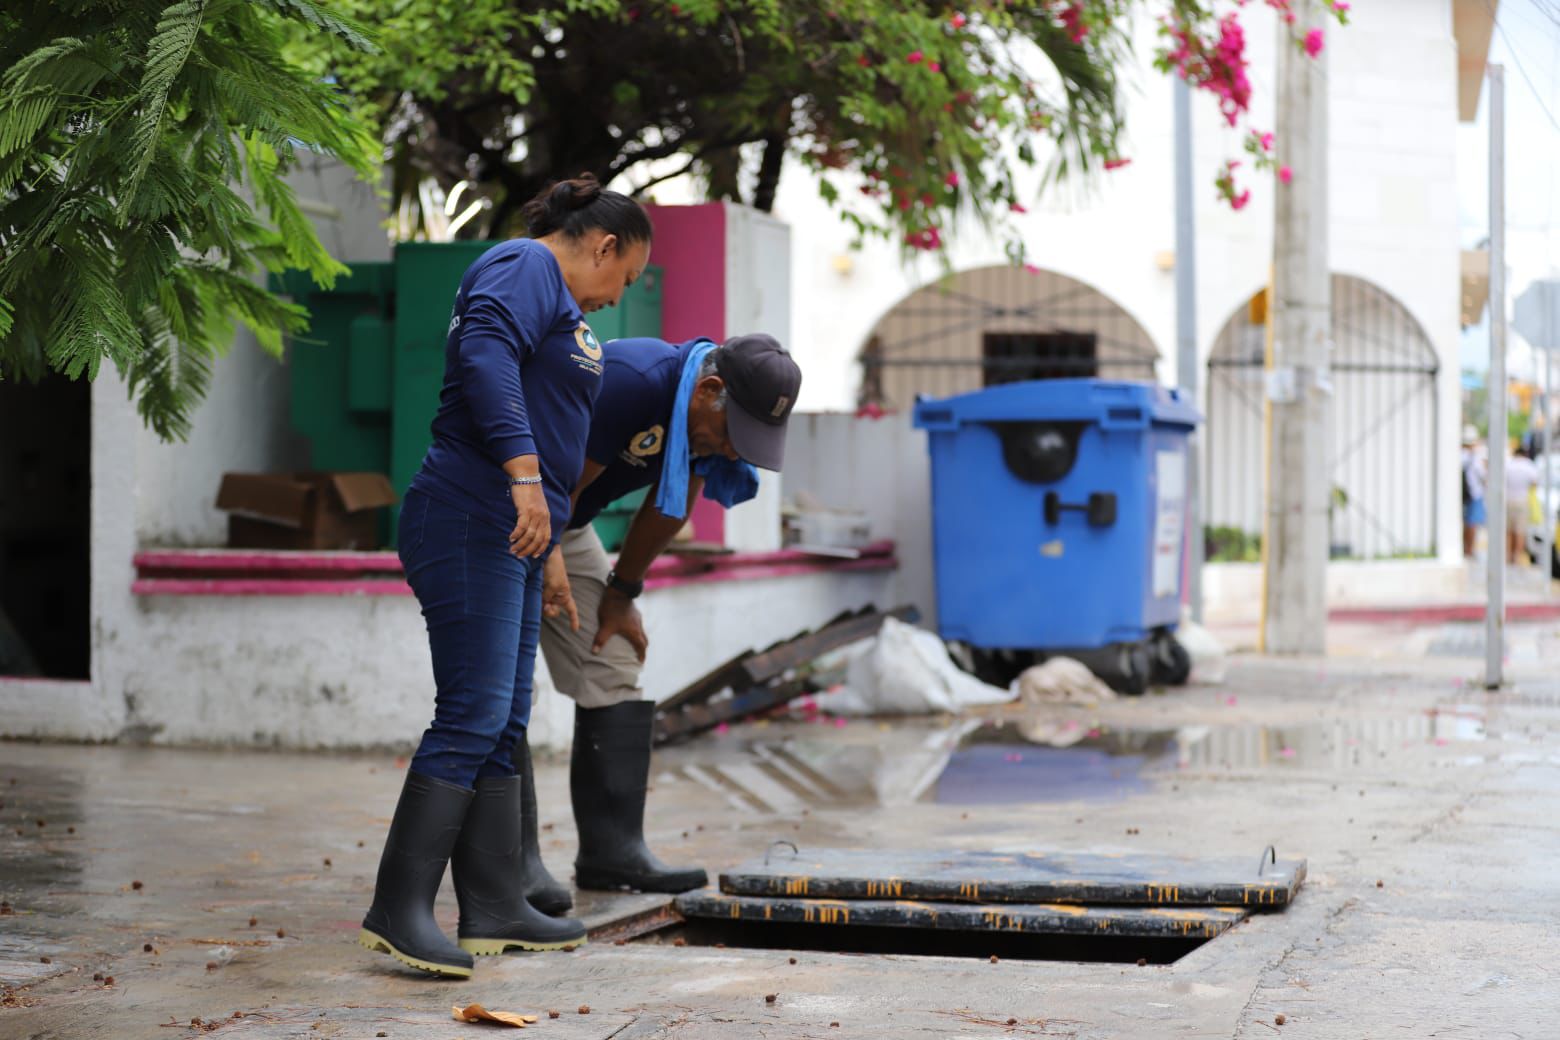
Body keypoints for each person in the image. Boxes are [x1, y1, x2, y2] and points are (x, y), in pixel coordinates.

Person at [358, 174, 653, 978]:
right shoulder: (524, 264)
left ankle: (492, 907)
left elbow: (548, 411)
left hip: (517, 531)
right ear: (603, 245)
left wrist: (550, 534)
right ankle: (398, 908)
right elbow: (485, 356)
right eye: (622, 280)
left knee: (503, 718)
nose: (614, 300)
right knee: (473, 711)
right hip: (470, 512)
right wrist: (525, 476)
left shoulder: (554, 297)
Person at [512, 333, 801, 912]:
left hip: (564, 522)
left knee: (612, 660)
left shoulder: (696, 419)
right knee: (504, 686)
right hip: (515, 506)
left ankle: (612, 852)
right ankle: (511, 869)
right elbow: (551, 477)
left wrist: (622, 593)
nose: (731, 452)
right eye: (731, 434)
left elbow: (671, 505)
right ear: (710, 391)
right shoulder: (632, 383)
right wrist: (547, 559)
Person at [1506, 444, 1540, 565]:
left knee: (1508, 530)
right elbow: (1534, 483)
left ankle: (1508, 555)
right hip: (1522, 500)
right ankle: (1516, 556)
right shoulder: (1528, 465)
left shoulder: (1508, 465)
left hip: (1508, 500)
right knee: (1520, 530)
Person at [1461, 425, 1487, 559]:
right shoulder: (1473, 457)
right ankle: (1469, 550)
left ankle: (1464, 548)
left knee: (1465, 523)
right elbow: (1483, 475)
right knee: (1471, 523)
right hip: (1474, 494)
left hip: (1461, 495)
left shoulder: (1457, 455)